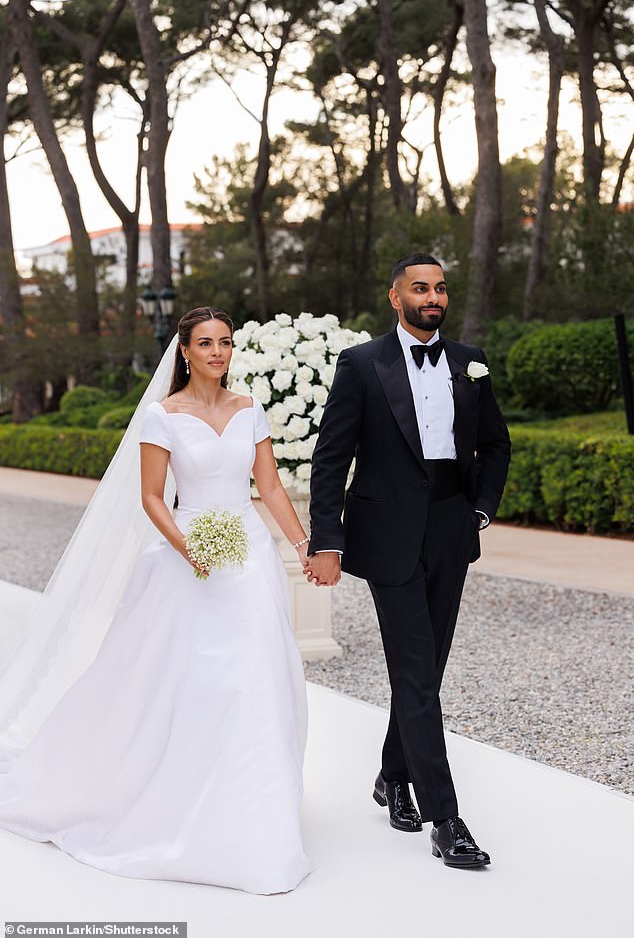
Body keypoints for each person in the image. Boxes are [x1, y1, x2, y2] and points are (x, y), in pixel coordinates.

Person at [0, 307, 313, 894]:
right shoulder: (161, 416)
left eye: (225, 342)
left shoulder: (251, 411)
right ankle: (164, 791)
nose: (218, 352)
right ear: (185, 352)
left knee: (255, 677)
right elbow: (151, 496)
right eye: (206, 343)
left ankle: (254, 814)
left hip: (247, 559)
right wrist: (187, 547)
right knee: (175, 679)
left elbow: (268, 487)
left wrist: (303, 546)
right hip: (186, 556)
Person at [305, 253, 511, 869]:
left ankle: (392, 776)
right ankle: (446, 819)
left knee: (427, 671)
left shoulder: (469, 362)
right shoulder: (362, 365)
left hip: (451, 531)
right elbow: (331, 457)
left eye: (441, 288)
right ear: (396, 298)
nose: (433, 297)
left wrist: (480, 511)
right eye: (420, 288)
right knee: (417, 673)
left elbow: (497, 444)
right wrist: (327, 540)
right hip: (389, 536)